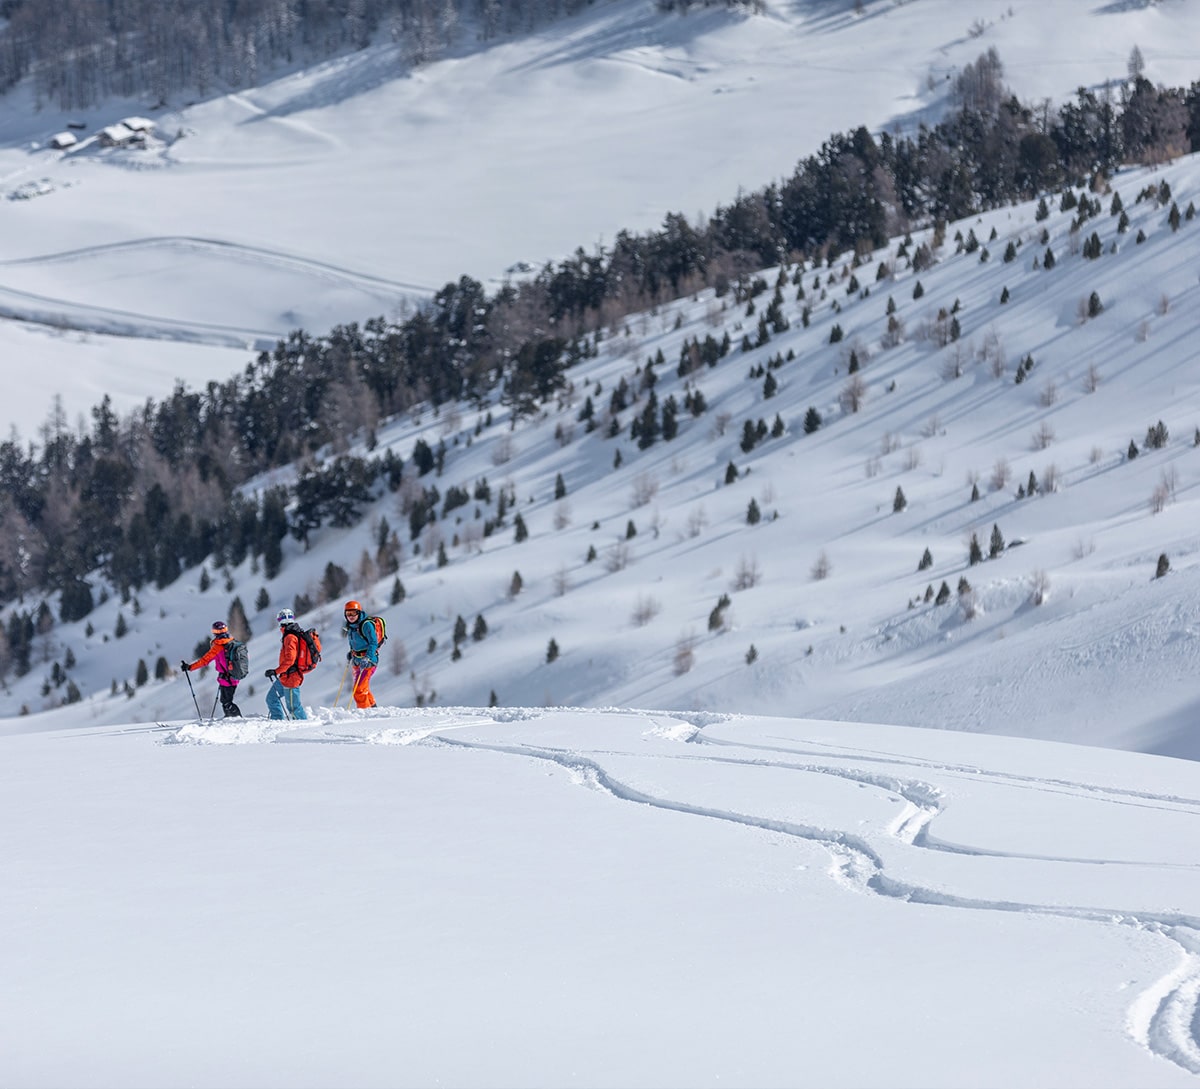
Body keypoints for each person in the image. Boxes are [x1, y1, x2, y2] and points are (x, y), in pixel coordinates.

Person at [181, 620, 242, 718]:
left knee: (226, 703)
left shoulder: (217, 647)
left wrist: (190, 667)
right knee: (225, 701)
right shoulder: (233, 642)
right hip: (234, 676)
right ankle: (229, 719)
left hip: (227, 679)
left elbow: (204, 661)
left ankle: (238, 719)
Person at [265, 608, 309, 720]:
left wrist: (276, 671)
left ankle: (304, 728)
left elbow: (290, 660)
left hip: (291, 677)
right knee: (271, 698)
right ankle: (277, 720)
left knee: (294, 708)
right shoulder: (290, 635)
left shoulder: (290, 637)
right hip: (285, 676)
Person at [343, 599, 378, 709]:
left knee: (358, 691)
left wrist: (368, 657)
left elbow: (373, 642)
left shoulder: (366, 625)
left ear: (359, 613)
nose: (351, 616)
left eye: (354, 613)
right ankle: (373, 709)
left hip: (369, 662)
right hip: (357, 660)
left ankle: (364, 714)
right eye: (348, 614)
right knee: (363, 688)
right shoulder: (351, 627)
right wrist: (351, 652)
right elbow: (354, 642)